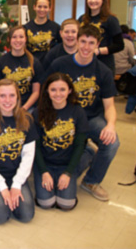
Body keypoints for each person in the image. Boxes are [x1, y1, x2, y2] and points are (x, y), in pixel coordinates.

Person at [46, 25, 119, 201]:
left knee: (112, 143)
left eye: (91, 43)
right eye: (83, 42)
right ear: (77, 41)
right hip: (62, 116)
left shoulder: (104, 71)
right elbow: (46, 93)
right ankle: (85, 152)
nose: (86, 47)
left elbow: (109, 106)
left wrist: (111, 125)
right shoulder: (60, 64)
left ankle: (91, 181)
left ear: (97, 44)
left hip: (91, 118)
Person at [0, 79, 37, 224]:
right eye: (2, 96)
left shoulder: (27, 119)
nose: (7, 100)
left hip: (17, 174)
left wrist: (16, 185)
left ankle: (11, 193)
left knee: (26, 215)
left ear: (17, 97)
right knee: (1, 216)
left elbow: (28, 156)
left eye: (12, 95)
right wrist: (2, 186)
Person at [33, 73, 88, 210]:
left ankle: (80, 166)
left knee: (66, 204)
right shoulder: (39, 112)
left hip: (67, 162)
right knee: (46, 203)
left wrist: (68, 172)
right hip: (45, 162)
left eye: (62, 89)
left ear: (69, 91)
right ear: (47, 91)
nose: (58, 94)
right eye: (53, 89)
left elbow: (79, 144)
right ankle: (49, 177)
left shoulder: (78, 111)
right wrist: (44, 172)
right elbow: (36, 146)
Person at [0, 26, 43, 111]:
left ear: (26, 39)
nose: (18, 40)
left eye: (21, 37)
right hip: (6, 107)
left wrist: (24, 108)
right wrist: (8, 107)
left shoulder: (35, 62)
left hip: (28, 107)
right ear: (9, 40)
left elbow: (36, 92)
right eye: (14, 37)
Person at [79, 0, 124, 74]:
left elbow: (119, 45)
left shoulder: (111, 20)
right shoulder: (81, 19)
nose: (93, 1)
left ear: (103, 0)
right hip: (84, 63)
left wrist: (98, 51)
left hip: (104, 64)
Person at [23, 0, 61, 64]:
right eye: (39, 6)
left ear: (50, 8)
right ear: (34, 7)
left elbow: (62, 46)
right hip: (32, 65)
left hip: (49, 65)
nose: (42, 10)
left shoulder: (56, 27)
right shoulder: (26, 27)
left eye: (45, 7)